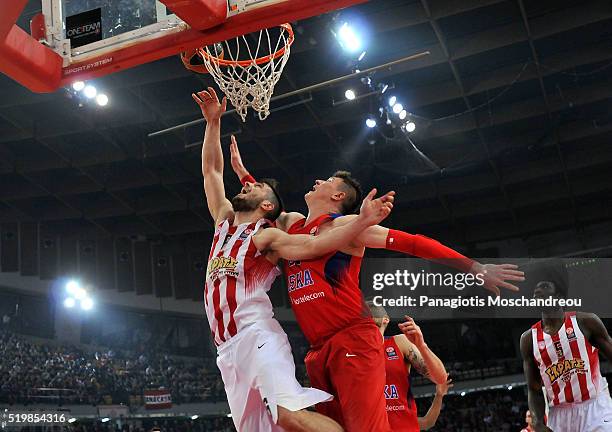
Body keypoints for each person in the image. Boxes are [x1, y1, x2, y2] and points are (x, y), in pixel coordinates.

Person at [229, 134, 525, 430]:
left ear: (338, 197)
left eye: (328, 181)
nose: (318, 181)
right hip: (318, 350)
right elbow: (263, 205)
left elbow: (412, 243)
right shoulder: (290, 224)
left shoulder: (347, 227)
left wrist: (473, 266)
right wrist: (245, 177)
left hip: (352, 337)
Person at [194, 87, 394, 432]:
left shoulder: (267, 236)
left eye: (252, 188)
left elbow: (315, 247)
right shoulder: (223, 221)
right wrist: (213, 123)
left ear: (268, 206)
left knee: (289, 415)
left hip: (256, 335)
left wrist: (361, 222)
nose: (243, 186)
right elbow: (212, 172)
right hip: (226, 350)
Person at [519, 259, 612, 432]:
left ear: (559, 296)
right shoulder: (528, 339)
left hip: (595, 406)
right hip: (559, 414)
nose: (537, 290)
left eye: (545, 287)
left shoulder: (586, 322)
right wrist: (538, 422)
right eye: (535, 289)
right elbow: (534, 388)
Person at [368, 301, 447, 431]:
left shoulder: (399, 342)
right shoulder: (350, 351)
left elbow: (440, 378)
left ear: (386, 320)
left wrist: (422, 346)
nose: (369, 309)